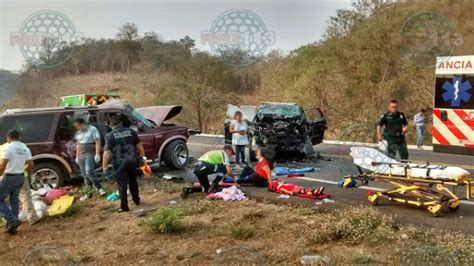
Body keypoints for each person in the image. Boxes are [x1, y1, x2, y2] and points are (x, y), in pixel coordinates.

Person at [102, 114, 145, 212]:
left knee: (122, 184)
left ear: (110, 125)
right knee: (133, 181)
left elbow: (107, 153)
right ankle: (136, 200)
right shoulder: (131, 131)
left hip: (119, 163)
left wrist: (104, 166)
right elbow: (139, 146)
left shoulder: (109, 135)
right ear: (121, 123)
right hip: (132, 160)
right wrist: (143, 157)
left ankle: (124, 207)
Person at [0, 130, 34, 234]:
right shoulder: (25, 148)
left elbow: (3, 165)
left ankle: (13, 220)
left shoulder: (8, 148)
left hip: (10, 177)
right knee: (14, 201)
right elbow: (31, 165)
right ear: (19, 137)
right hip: (20, 177)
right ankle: (12, 228)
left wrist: (1, 174)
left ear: (8, 138)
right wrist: (22, 169)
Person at [74, 116, 106, 196]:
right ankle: (89, 192)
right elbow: (77, 143)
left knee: (89, 171)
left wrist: (97, 154)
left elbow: (97, 141)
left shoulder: (93, 129)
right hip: (81, 153)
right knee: (84, 174)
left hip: (89, 152)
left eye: (77, 125)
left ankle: (99, 188)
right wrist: (77, 156)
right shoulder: (79, 131)